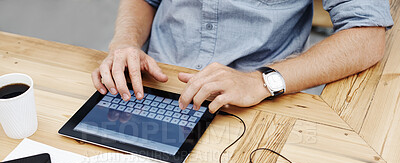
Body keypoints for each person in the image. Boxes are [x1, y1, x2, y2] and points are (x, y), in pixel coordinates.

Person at [92, 0, 393, 113]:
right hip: (153, 84)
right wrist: (125, 43)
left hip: (252, 102)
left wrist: (261, 82)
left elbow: (367, 36)